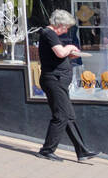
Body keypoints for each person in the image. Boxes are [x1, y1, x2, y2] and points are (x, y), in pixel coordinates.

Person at [36, 10, 101, 162]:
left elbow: (57, 56)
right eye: (66, 27)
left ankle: (82, 151)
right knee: (61, 116)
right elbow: (59, 53)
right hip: (54, 80)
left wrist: (69, 55)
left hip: (57, 80)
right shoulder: (49, 33)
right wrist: (70, 48)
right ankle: (46, 150)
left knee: (69, 116)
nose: (66, 31)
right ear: (60, 24)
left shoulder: (50, 35)